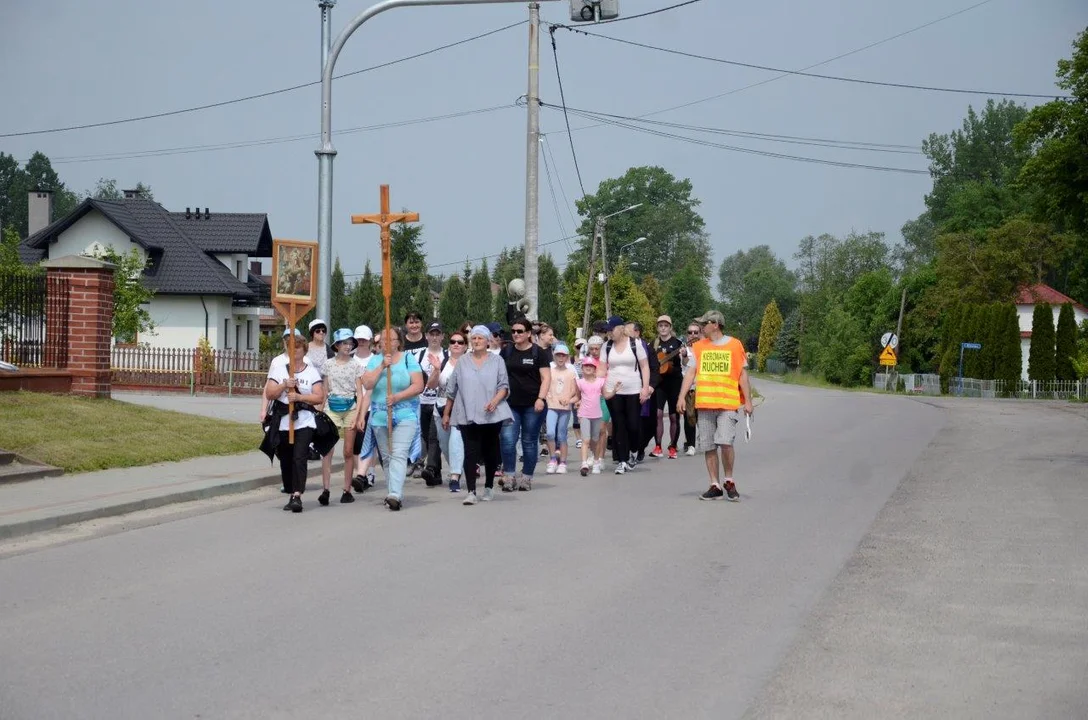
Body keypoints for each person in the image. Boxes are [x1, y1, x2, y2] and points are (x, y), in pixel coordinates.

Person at [678, 310, 753, 501]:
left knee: (726, 442)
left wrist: (749, 402)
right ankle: (715, 484)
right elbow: (690, 372)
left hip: (727, 403)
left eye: (705, 324)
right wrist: (681, 397)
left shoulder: (735, 345)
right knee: (709, 445)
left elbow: (743, 375)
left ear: (716, 324)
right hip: (705, 403)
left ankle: (729, 479)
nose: (701, 327)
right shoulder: (700, 347)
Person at [442, 325, 512, 505]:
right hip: (467, 413)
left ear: (488, 341)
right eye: (474, 338)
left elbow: (504, 386)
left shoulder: (497, 361)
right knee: (470, 452)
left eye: (481, 338)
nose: (477, 341)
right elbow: (451, 390)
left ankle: (488, 486)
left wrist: (495, 401)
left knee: (490, 452)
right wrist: (446, 414)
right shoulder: (463, 361)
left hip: (491, 414)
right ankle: (471, 491)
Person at [359, 327, 425, 511]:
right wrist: (382, 366)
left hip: (404, 413)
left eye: (392, 339)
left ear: (398, 342)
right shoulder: (374, 361)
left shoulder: (407, 359)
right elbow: (367, 383)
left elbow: (418, 385)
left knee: (399, 453)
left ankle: (395, 493)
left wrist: (397, 397)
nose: (387, 342)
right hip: (380, 415)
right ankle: (393, 492)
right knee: (387, 457)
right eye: (384, 339)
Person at [263, 328, 325, 513]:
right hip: (283, 420)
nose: (294, 352)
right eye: (291, 348)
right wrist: (284, 385)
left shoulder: (311, 372)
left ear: (304, 351)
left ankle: (297, 494)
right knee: (286, 458)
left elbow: (319, 397)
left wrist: (299, 398)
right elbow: (270, 393)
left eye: (298, 348)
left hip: (303, 420)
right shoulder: (279, 370)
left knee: (299, 457)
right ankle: (290, 490)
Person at [499, 316, 551, 491]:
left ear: (528, 333)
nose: (515, 334)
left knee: (529, 441)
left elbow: (546, 378)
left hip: (532, 405)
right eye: (513, 331)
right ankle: (509, 475)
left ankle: (527, 477)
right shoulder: (506, 352)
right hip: (510, 404)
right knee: (507, 441)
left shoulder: (538, 353)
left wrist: (541, 399)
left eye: (520, 331)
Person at [317, 328, 364, 505]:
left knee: (348, 451)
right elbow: (325, 388)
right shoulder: (328, 364)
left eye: (350, 343)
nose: (347, 346)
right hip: (332, 407)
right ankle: (326, 489)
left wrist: (358, 414)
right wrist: (319, 410)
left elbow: (359, 392)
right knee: (327, 449)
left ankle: (346, 489)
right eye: (344, 343)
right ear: (336, 345)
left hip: (350, 407)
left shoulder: (356, 365)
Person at [601, 316, 651, 475]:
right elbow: (602, 370)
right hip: (614, 391)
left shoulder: (635, 344)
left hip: (633, 390)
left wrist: (645, 388)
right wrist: (602, 389)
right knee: (619, 425)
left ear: (621, 328)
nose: (609, 333)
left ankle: (634, 451)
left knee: (634, 425)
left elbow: (644, 366)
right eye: (607, 330)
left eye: (612, 329)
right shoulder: (606, 346)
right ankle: (622, 460)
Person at [435, 330, 467, 492]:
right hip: (440, 406)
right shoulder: (442, 361)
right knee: (445, 444)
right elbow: (432, 386)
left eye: (460, 342)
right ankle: (458, 467)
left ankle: (455, 476)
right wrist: (435, 370)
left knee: (456, 439)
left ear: (465, 346)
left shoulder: (469, 363)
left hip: (460, 409)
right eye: (453, 341)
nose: (456, 344)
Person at [650, 315, 686, 460]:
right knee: (657, 414)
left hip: (675, 383)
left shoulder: (678, 343)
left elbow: (686, 361)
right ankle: (658, 446)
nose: (663, 328)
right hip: (659, 383)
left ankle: (673, 446)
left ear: (670, 327)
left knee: (673, 416)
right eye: (660, 326)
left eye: (666, 325)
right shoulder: (654, 343)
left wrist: (683, 355)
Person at [418, 321, 449, 486]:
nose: (435, 337)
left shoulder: (448, 355)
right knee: (426, 436)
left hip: (440, 402)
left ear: (443, 336)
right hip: (423, 402)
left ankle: (430, 467)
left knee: (434, 437)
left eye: (438, 334)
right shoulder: (419, 356)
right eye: (432, 334)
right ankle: (436, 473)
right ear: (426, 336)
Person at [625, 321, 660, 464]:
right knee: (631, 422)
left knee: (650, 424)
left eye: (627, 332)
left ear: (637, 332)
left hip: (647, 390)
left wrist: (650, 386)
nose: (624, 335)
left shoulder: (648, 348)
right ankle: (628, 451)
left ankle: (641, 446)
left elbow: (654, 369)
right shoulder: (621, 348)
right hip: (628, 390)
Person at [544, 343, 577, 474]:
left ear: (567, 356)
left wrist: (568, 398)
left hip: (565, 407)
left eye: (563, 355)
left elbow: (574, 389)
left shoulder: (571, 370)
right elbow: (545, 384)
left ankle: (562, 462)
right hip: (551, 405)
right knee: (550, 433)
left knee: (561, 434)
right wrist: (546, 396)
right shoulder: (550, 369)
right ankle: (552, 459)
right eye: (558, 355)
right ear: (554, 355)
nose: (561, 358)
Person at [574, 356, 606, 475]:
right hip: (584, 414)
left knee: (595, 440)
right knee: (585, 440)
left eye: (591, 366)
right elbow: (577, 396)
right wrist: (569, 400)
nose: (588, 368)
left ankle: (596, 462)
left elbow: (606, 395)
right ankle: (584, 463)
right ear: (582, 368)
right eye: (586, 366)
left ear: (594, 369)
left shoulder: (600, 382)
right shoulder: (579, 382)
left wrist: (614, 391)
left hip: (597, 415)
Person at [586, 335, 610, 467]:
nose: (594, 351)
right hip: (590, 398)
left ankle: (600, 458)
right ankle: (592, 453)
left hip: (604, 397)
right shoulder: (586, 361)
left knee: (601, 429)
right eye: (592, 349)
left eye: (597, 349)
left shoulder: (606, 361)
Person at [682, 321, 702, 455]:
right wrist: (683, 355)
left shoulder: (704, 349)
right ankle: (690, 444)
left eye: (696, 332)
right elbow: (686, 364)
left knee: (703, 417)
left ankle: (705, 440)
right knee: (689, 416)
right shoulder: (684, 350)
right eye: (690, 332)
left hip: (703, 387)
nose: (693, 334)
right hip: (689, 388)